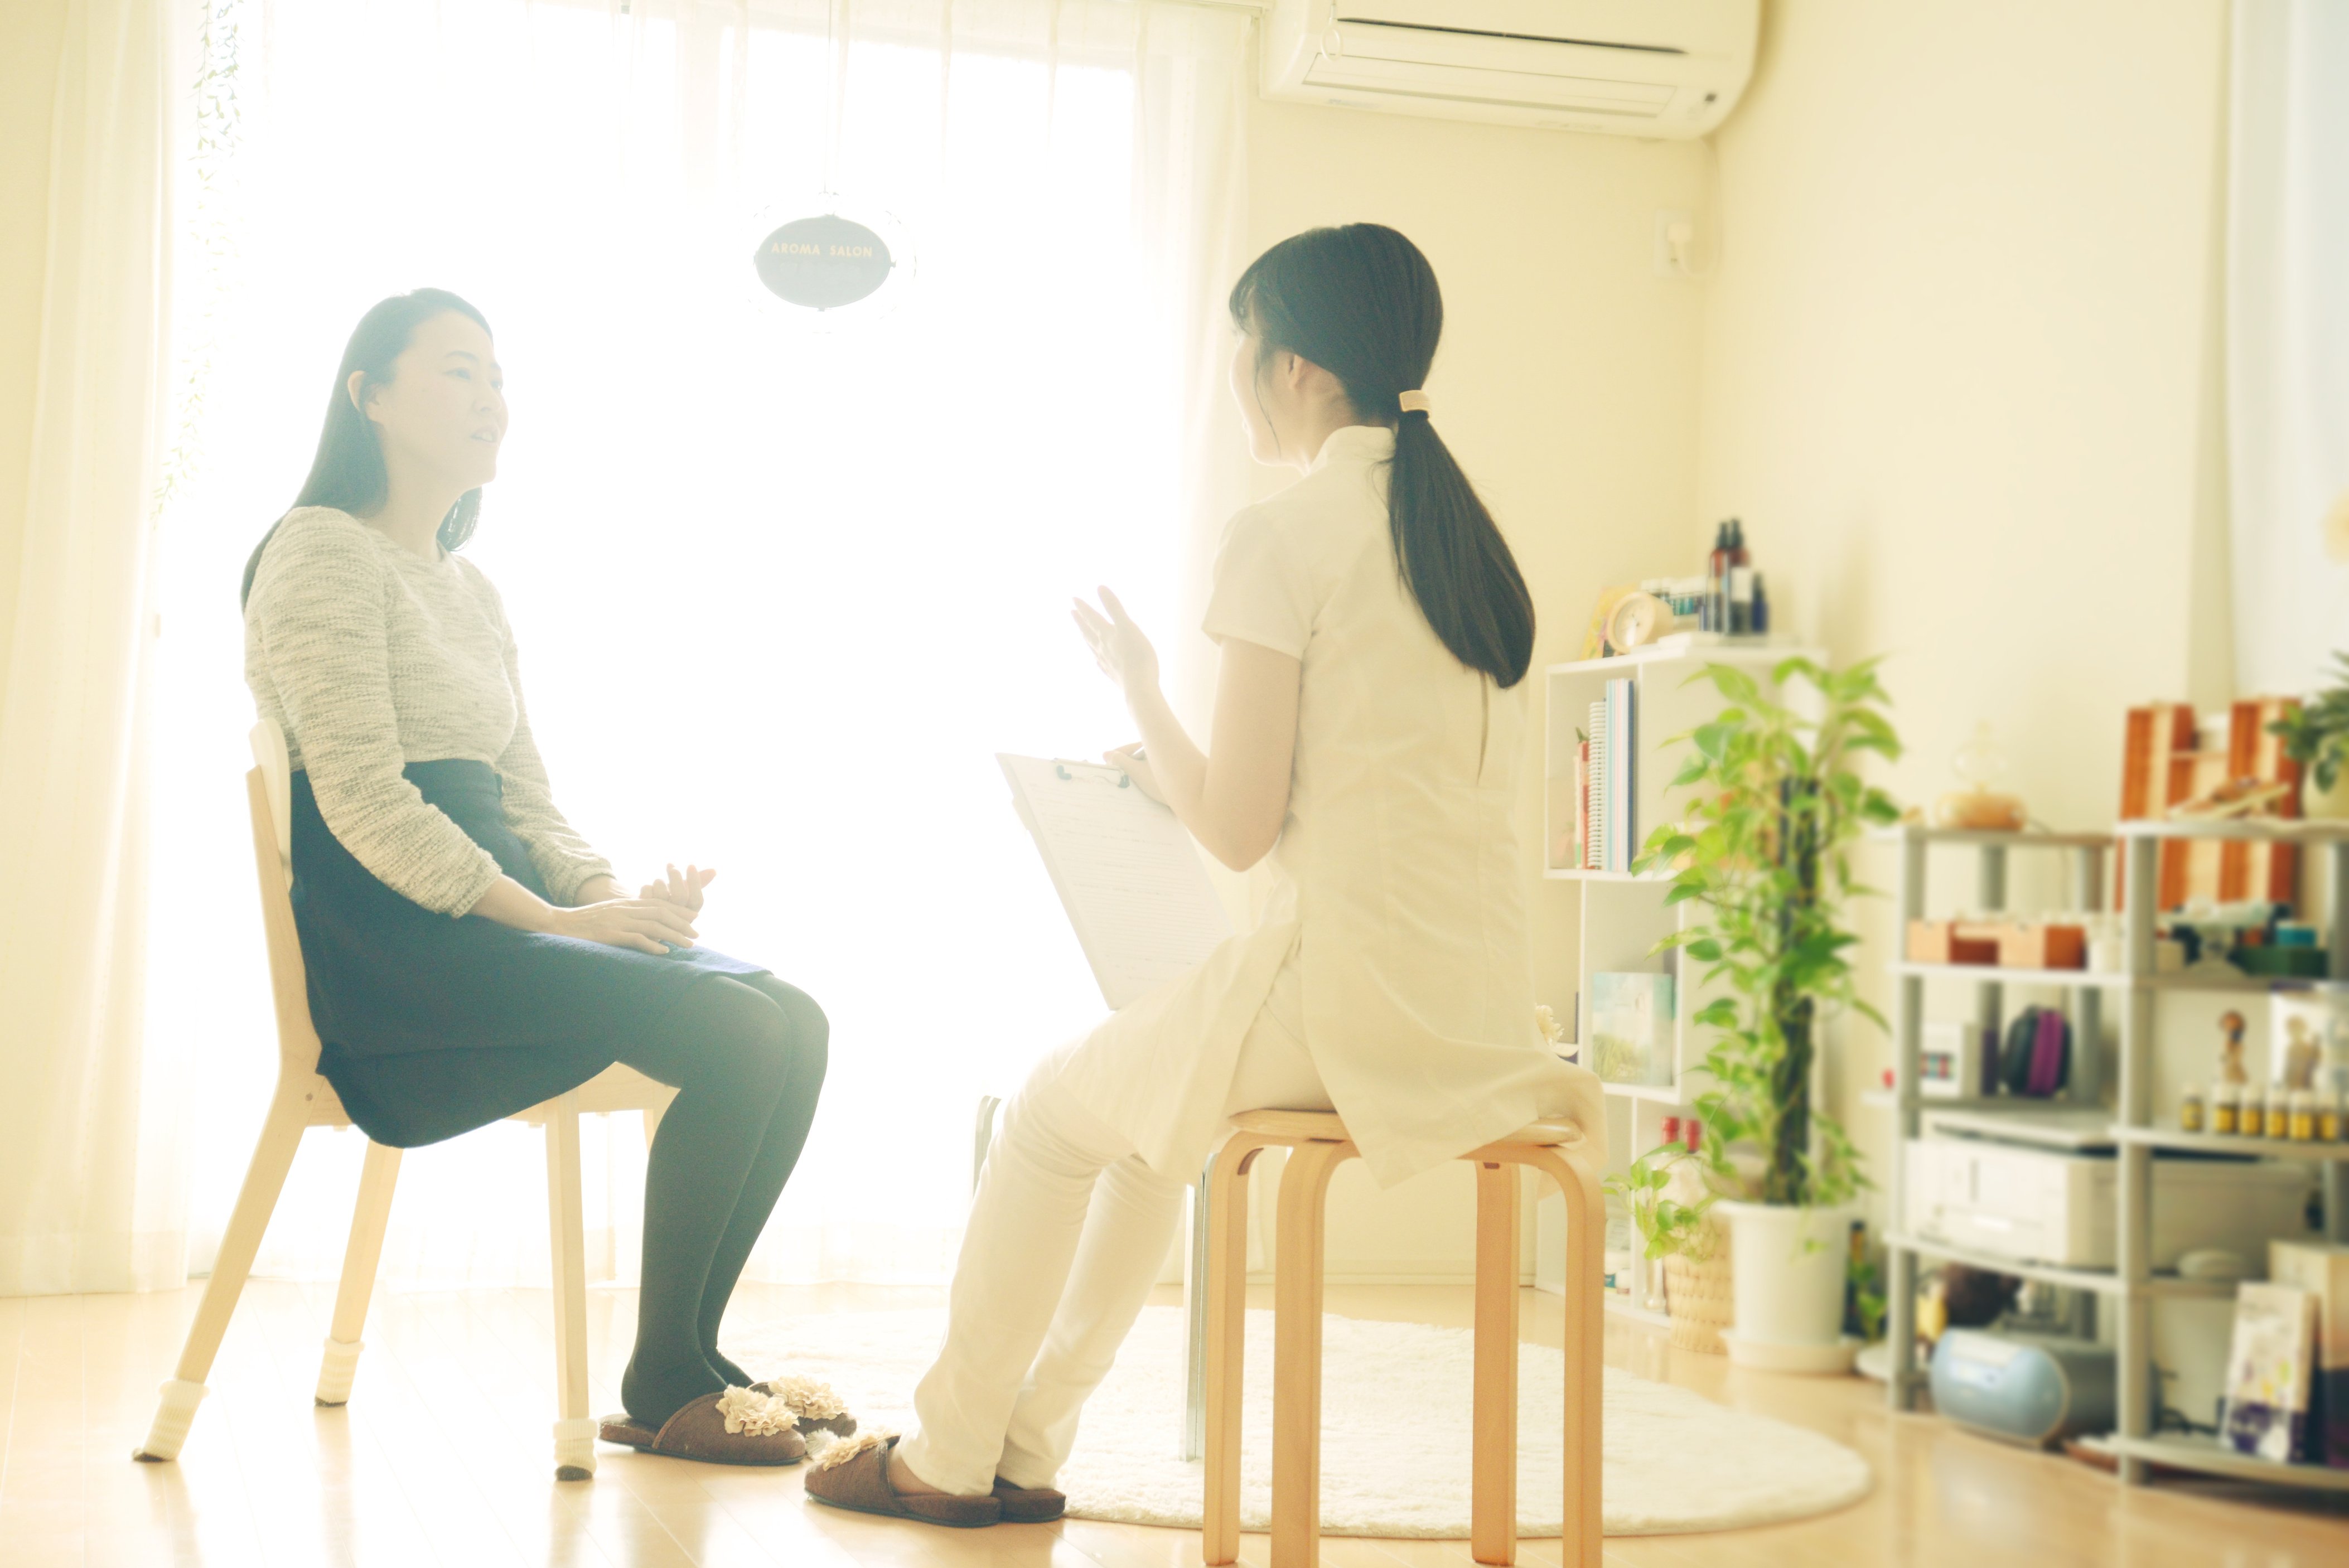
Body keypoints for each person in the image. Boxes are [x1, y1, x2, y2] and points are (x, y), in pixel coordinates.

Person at [804, 225, 1604, 1527]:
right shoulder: (1465, 541)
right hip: (1472, 1010)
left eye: (1245, 345)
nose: (1237, 372)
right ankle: (1025, 1437)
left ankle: (951, 1451)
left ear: (1293, 368)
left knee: (1053, 1110)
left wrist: (1143, 694)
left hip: (1337, 1004)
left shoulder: (1284, 531)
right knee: (1146, 1124)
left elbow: (1235, 827)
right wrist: (1161, 721)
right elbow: (1343, 785)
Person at [241, 289, 837, 1466]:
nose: (491, 400)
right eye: (460, 372)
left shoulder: (469, 584)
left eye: (499, 378)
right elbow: (363, 799)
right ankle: (664, 1376)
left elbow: (526, 798)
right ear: (368, 393)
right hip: (402, 942)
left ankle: (693, 1357)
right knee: (734, 1031)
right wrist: (563, 918)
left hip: (501, 910)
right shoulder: (317, 549)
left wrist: (618, 904)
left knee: (795, 1017)